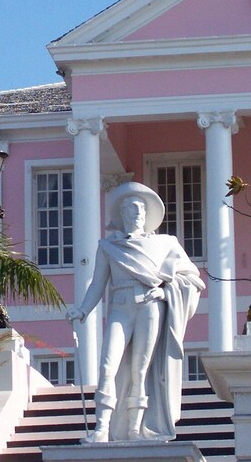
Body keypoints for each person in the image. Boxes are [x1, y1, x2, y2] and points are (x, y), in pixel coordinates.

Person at [67, 182, 205, 443]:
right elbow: (97, 283)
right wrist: (82, 310)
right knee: (108, 365)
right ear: (122, 215)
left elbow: (191, 280)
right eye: (131, 209)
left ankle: (134, 428)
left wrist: (165, 293)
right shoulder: (108, 246)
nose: (137, 214)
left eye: (141, 210)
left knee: (140, 370)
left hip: (150, 307)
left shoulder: (166, 244)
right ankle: (102, 428)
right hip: (121, 306)